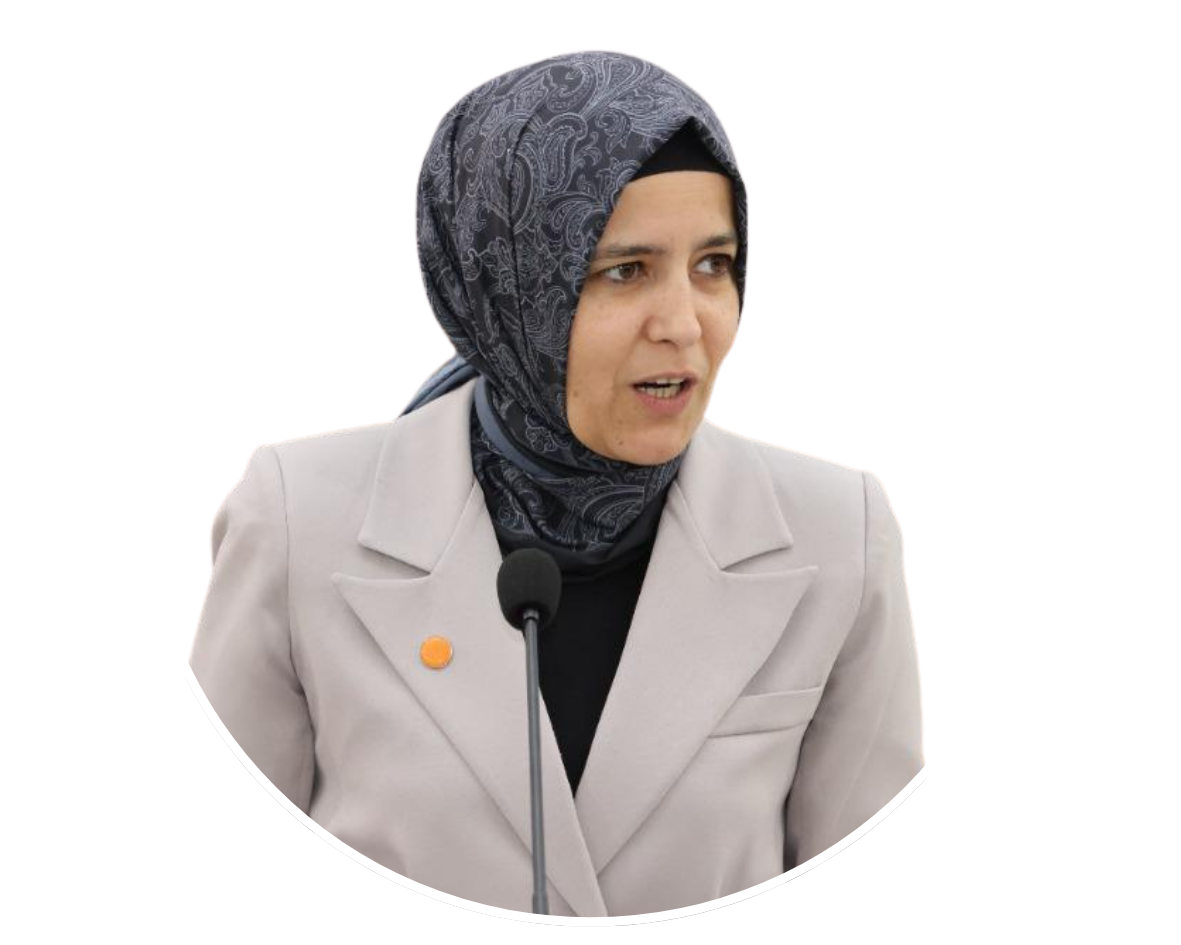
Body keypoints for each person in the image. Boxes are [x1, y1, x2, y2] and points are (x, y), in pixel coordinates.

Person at [190, 50, 923, 918]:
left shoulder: (840, 535)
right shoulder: (297, 520)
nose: (684, 324)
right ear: (507, 282)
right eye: (623, 270)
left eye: (713, 264)